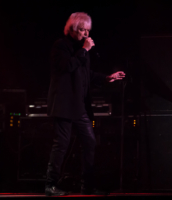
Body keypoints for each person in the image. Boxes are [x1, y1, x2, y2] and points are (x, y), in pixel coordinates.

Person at [45, 12, 125, 196]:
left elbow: (85, 74)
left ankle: (87, 186)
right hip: (64, 105)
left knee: (90, 142)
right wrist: (84, 50)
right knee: (61, 145)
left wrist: (106, 78)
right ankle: (50, 185)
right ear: (72, 29)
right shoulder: (61, 46)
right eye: (82, 30)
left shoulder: (82, 50)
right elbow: (67, 67)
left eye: (88, 31)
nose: (86, 35)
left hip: (79, 106)